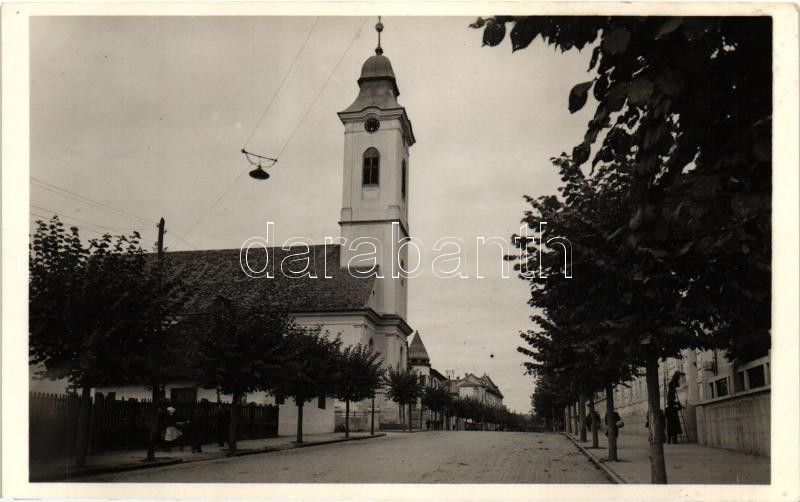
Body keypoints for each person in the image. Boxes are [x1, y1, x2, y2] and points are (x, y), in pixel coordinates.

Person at [666, 371, 685, 444]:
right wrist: (678, 405)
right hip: (672, 411)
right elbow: (673, 401)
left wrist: (679, 406)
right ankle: (673, 440)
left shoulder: (672, 391)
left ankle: (670, 440)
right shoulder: (671, 391)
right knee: (673, 425)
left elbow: (675, 401)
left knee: (671, 426)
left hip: (671, 410)